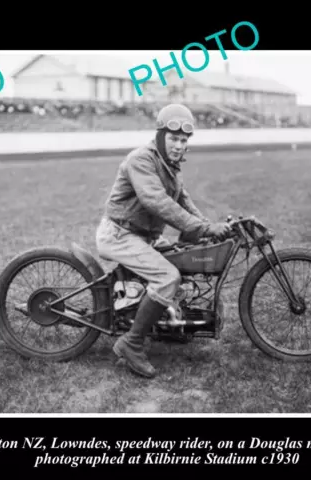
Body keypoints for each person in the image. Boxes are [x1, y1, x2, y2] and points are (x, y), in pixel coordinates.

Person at [95, 103, 232, 378]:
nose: (179, 145)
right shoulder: (141, 159)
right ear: (160, 136)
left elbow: (184, 201)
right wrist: (203, 227)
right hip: (120, 234)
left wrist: (208, 227)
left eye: (184, 140)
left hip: (141, 237)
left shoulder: (171, 166)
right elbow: (156, 201)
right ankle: (131, 343)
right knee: (168, 277)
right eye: (174, 139)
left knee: (181, 259)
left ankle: (171, 323)